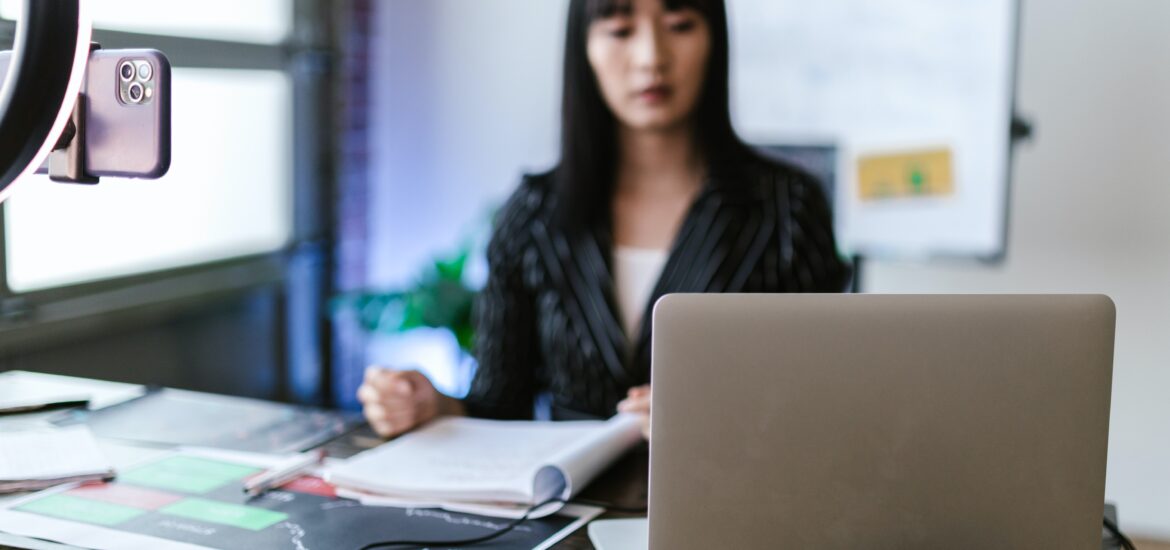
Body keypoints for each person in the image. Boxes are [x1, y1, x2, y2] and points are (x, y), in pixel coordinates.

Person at [358, 0, 850, 439]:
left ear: (714, 40)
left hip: (730, 511)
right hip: (568, 519)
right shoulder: (533, 213)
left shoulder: (787, 206)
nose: (651, 57)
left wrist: (722, 417)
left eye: (680, 24)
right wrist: (432, 406)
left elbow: (826, 401)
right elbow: (499, 404)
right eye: (619, 30)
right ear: (584, 48)